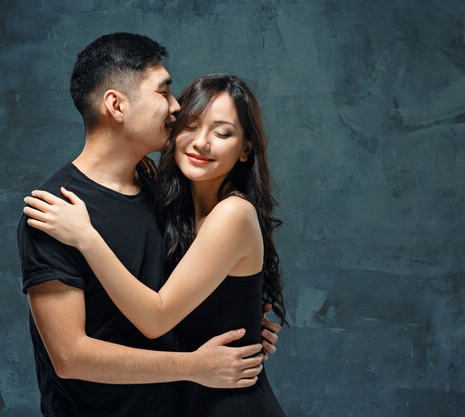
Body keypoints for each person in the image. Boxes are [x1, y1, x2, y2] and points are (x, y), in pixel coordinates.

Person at [17, 33, 281, 417]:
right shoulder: (57, 212)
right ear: (116, 104)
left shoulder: (160, 192)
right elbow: (70, 356)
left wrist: (242, 321)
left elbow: (185, 290)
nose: (176, 108)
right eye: (163, 92)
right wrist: (198, 365)